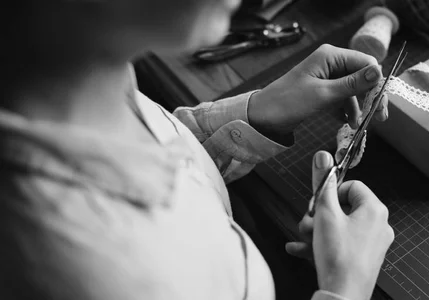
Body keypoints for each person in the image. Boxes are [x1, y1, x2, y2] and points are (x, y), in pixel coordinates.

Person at [0, 1, 394, 300]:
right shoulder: (87, 274)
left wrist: (259, 114)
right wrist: (345, 287)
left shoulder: (77, 66)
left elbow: (171, 158)